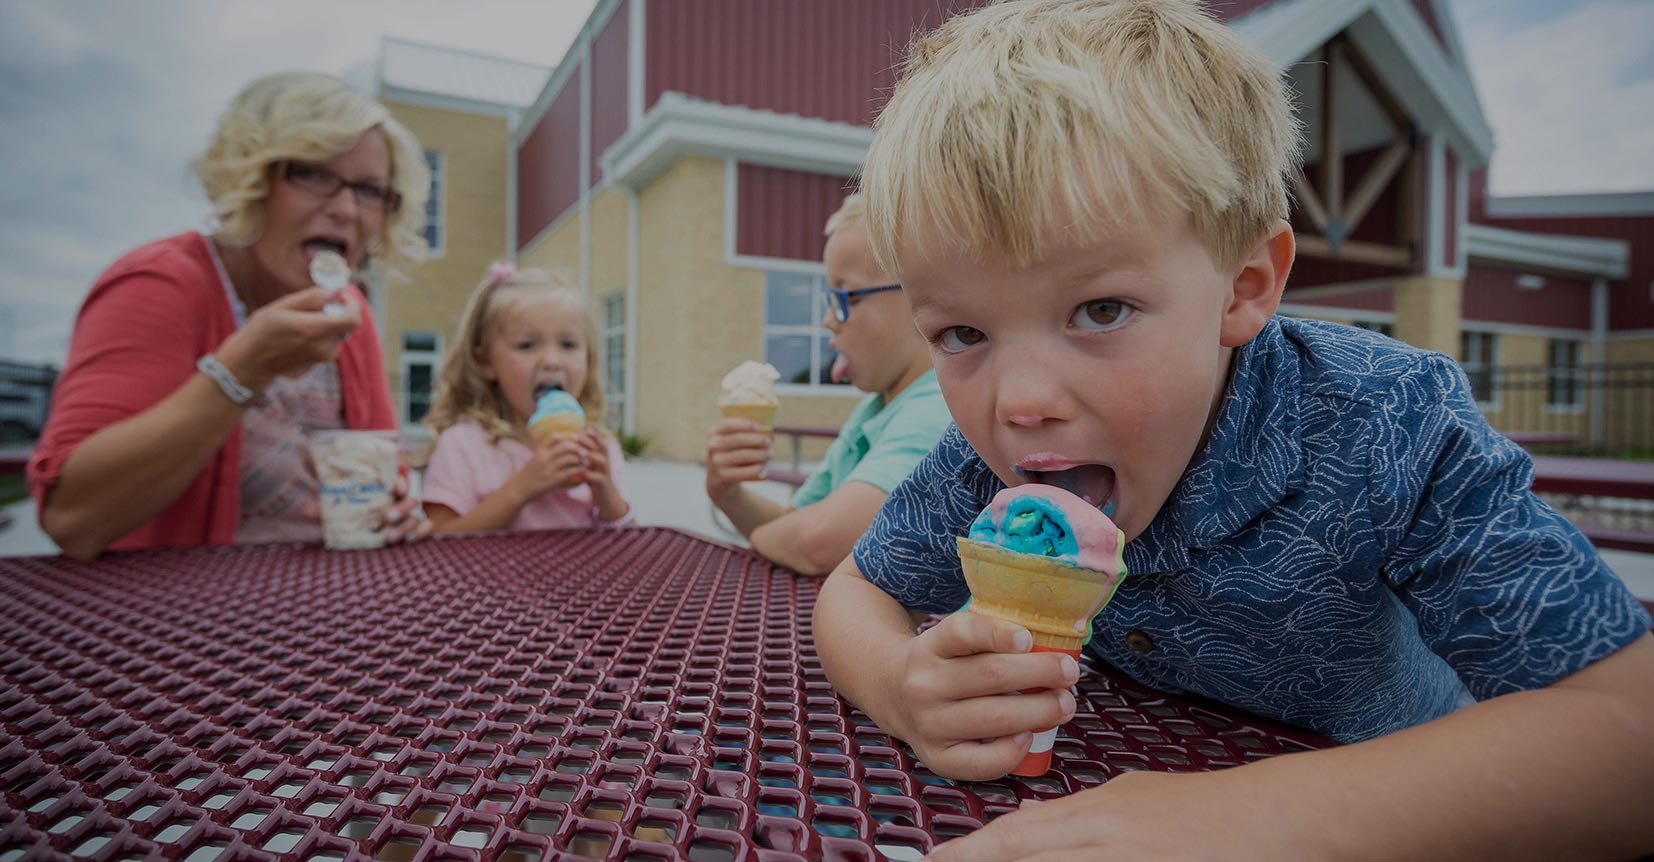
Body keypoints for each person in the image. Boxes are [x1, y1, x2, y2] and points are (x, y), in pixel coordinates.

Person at [815, 1, 1654, 858]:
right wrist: (899, 684)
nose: (1021, 402)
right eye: (963, 334)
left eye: (1100, 309)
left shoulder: (1383, 423)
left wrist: (1271, 817)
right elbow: (855, 590)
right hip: (1120, 764)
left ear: (1245, 286)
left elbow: (1628, 730)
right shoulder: (983, 463)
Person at [29, 72, 433, 560]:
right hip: (171, 623)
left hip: (333, 614)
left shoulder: (352, 313)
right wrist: (244, 371)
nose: (346, 209)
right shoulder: (159, 284)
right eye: (313, 173)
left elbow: (381, 471)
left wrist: (400, 505)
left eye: (370, 190)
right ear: (251, 175)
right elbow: (73, 520)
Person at [705, 194, 952, 575]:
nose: (827, 321)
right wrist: (727, 494)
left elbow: (817, 542)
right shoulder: (874, 409)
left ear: (917, 297)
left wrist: (760, 543)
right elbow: (795, 520)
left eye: (842, 297)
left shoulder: (940, 406)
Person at [420, 264, 631, 531]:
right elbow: (438, 542)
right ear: (486, 361)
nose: (552, 361)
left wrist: (607, 493)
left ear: (589, 360)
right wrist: (522, 488)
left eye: (568, 344)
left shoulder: (598, 447)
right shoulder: (463, 445)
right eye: (527, 345)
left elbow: (629, 541)